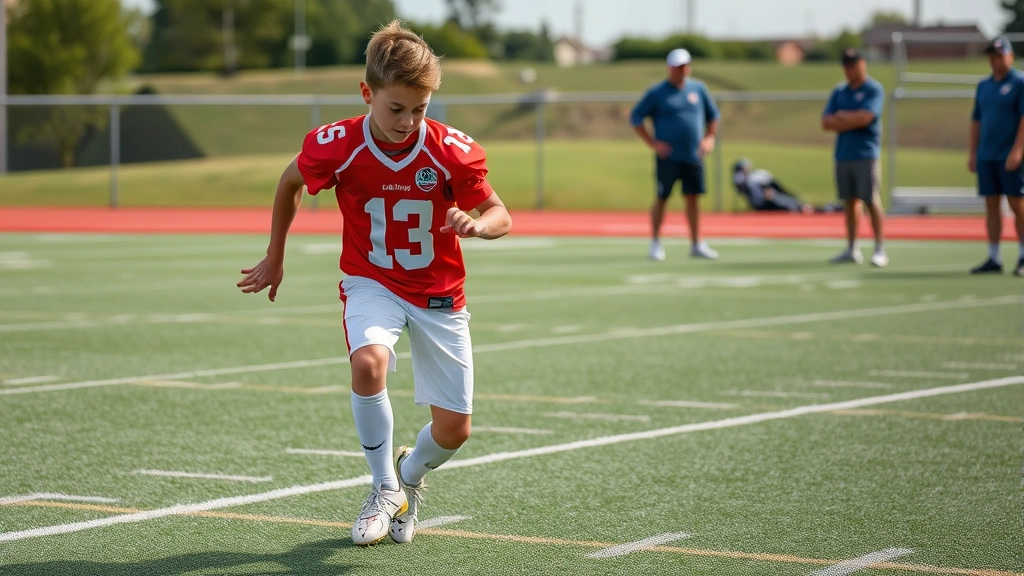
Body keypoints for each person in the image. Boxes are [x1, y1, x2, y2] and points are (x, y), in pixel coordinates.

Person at [236, 20, 512, 546]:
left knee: (455, 431)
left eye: (421, 108)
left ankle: (409, 475)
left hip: (438, 293)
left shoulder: (449, 150)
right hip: (372, 280)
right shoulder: (338, 144)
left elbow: (500, 212)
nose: (408, 121)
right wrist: (276, 254)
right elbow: (291, 180)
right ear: (368, 93)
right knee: (368, 362)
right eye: (396, 108)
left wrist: (480, 227)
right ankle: (383, 485)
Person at [630, 48, 720, 261]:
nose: (682, 70)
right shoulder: (657, 92)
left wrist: (709, 137)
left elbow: (713, 115)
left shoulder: (698, 89)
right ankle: (655, 243)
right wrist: (653, 143)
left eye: (685, 66)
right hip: (668, 157)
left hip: (693, 156)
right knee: (662, 198)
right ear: (670, 68)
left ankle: (696, 243)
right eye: (678, 67)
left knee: (693, 199)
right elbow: (636, 117)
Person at [821, 48, 888, 268]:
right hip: (843, 153)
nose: (850, 68)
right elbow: (826, 122)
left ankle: (879, 248)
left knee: (870, 199)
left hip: (865, 153)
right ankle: (852, 248)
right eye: (847, 65)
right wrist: (850, 119)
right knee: (849, 202)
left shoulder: (873, 89)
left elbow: (867, 117)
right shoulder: (840, 91)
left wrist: (843, 117)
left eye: (854, 63)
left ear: (863, 63)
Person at [968, 35, 1024, 275]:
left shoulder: (1019, 82)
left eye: (1000, 56)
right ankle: (994, 257)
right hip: (987, 155)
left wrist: (1018, 150)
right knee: (991, 205)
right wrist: (973, 152)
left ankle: (1023, 255)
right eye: (992, 57)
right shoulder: (984, 86)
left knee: (1017, 205)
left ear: (1010, 56)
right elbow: (977, 120)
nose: (996, 61)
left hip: (1009, 155)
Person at [732, 158, 841, 213]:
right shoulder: (743, 179)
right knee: (792, 205)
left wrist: (790, 194)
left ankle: (827, 208)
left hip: (770, 200)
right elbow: (740, 185)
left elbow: (777, 186)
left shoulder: (758, 175)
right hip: (764, 204)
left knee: (794, 205)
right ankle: (819, 208)